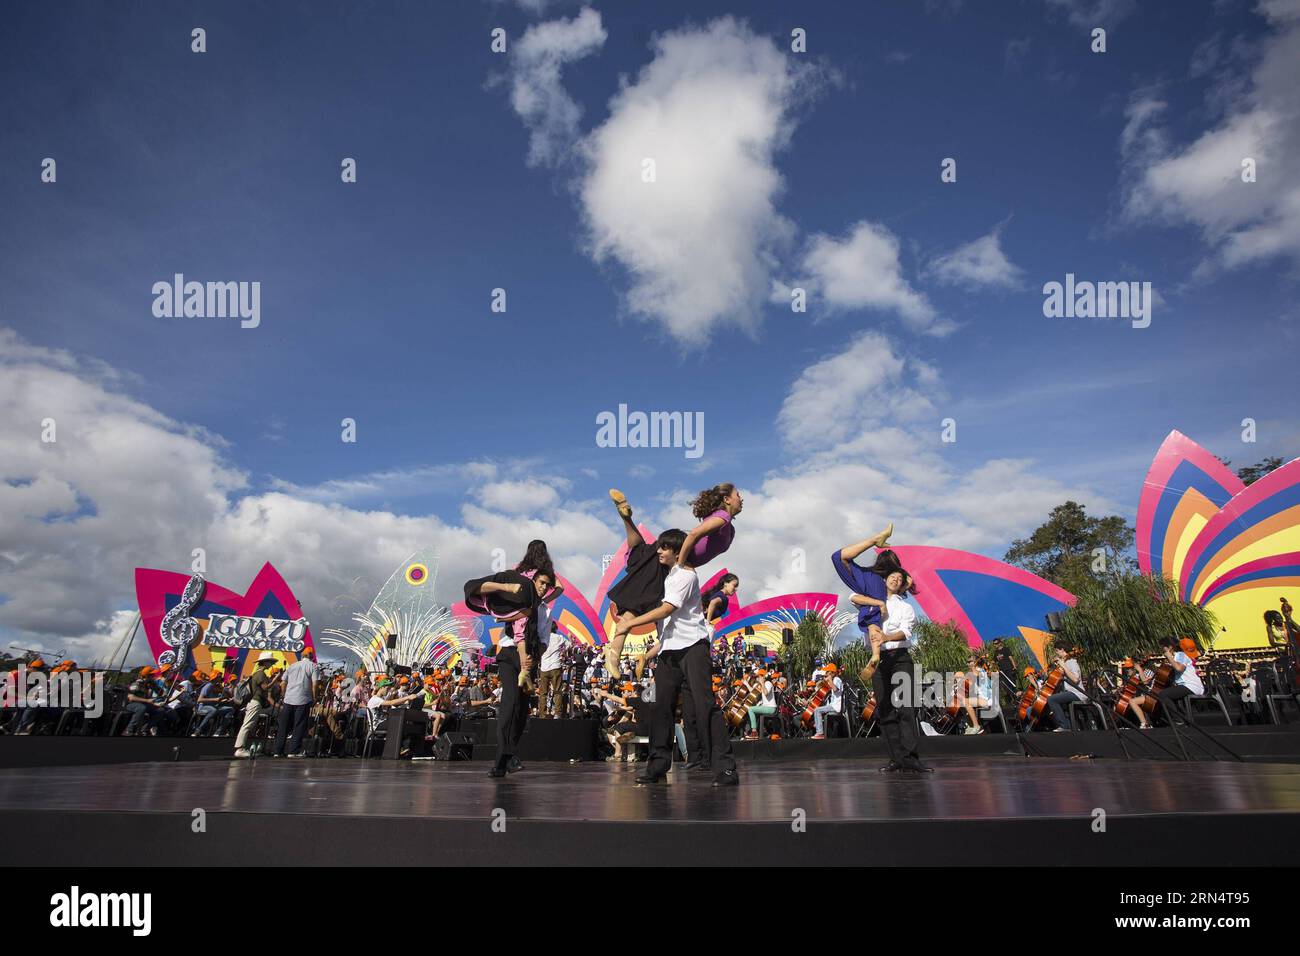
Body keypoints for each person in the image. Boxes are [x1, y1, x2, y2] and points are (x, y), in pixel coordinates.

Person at [614, 528, 739, 787]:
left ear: (677, 550)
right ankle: (657, 769)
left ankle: (725, 768)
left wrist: (630, 624)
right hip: (669, 651)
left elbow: (666, 609)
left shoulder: (685, 575)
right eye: (659, 547)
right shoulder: (664, 577)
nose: (659, 551)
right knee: (660, 708)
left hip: (694, 647)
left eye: (664, 548)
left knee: (705, 705)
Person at [466, 545, 560, 778]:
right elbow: (479, 588)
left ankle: (509, 755)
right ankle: (502, 759)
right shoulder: (520, 600)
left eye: (547, 585)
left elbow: (545, 639)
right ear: (533, 581)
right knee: (509, 703)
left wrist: (534, 657)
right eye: (540, 582)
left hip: (531, 659)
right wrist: (508, 586)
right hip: (511, 656)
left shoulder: (546, 611)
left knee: (521, 711)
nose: (543, 587)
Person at [603, 490, 677, 674]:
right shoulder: (668, 562)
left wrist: (627, 520)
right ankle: (613, 655)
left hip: (643, 582)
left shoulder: (649, 552)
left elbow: (636, 548)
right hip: (652, 587)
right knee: (630, 618)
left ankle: (613, 655)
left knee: (628, 617)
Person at [873, 569, 929, 772]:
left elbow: (906, 632)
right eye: (892, 577)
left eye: (899, 579)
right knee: (884, 709)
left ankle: (911, 757)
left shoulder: (906, 607)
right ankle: (896, 758)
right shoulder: (871, 601)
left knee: (906, 707)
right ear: (884, 580)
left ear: (902, 585)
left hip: (900, 658)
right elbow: (852, 597)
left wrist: (886, 638)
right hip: (878, 660)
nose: (895, 580)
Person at [233, 653, 280, 758]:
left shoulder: (257, 673)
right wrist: (275, 679)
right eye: (270, 662)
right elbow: (265, 687)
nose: (271, 664)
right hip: (255, 701)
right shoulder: (260, 674)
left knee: (248, 724)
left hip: (255, 702)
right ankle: (239, 749)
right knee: (247, 725)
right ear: (265, 662)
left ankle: (241, 747)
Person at [272, 649, 318, 757]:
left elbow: (283, 683)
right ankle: (293, 751)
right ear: (311, 656)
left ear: (302, 656)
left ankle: (278, 751)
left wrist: (284, 695)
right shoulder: (313, 666)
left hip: (289, 699)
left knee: (283, 725)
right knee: (299, 725)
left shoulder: (292, 665)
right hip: (303, 699)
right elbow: (315, 683)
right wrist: (314, 697)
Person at [1045, 646, 1088, 731]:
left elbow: (1075, 679)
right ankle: (1071, 726)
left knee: (1051, 699)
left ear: (1062, 649)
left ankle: (1065, 726)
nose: (1056, 653)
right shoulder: (1067, 662)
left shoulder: (1071, 662)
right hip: (1070, 692)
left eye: (1057, 650)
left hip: (1077, 693)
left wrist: (1064, 666)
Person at [811, 664, 844, 739]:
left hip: (836, 707)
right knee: (819, 710)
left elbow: (836, 690)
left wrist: (829, 680)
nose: (825, 673)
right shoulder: (834, 680)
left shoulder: (837, 679)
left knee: (817, 710)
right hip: (833, 705)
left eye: (827, 672)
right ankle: (818, 723)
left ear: (831, 672)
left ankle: (820, 733)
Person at [745, 669, 777, 739]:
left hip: (771, 708)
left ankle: (754, 732)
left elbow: (765, 693)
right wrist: (747, 684)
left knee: (751, 709)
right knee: (751, 710)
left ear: (763, 677)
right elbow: (753, 692)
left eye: (758, 677)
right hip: (766, 707)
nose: (757, 679)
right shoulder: (762, 684)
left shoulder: (768, 683)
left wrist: (762, 683)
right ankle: (754, 731)